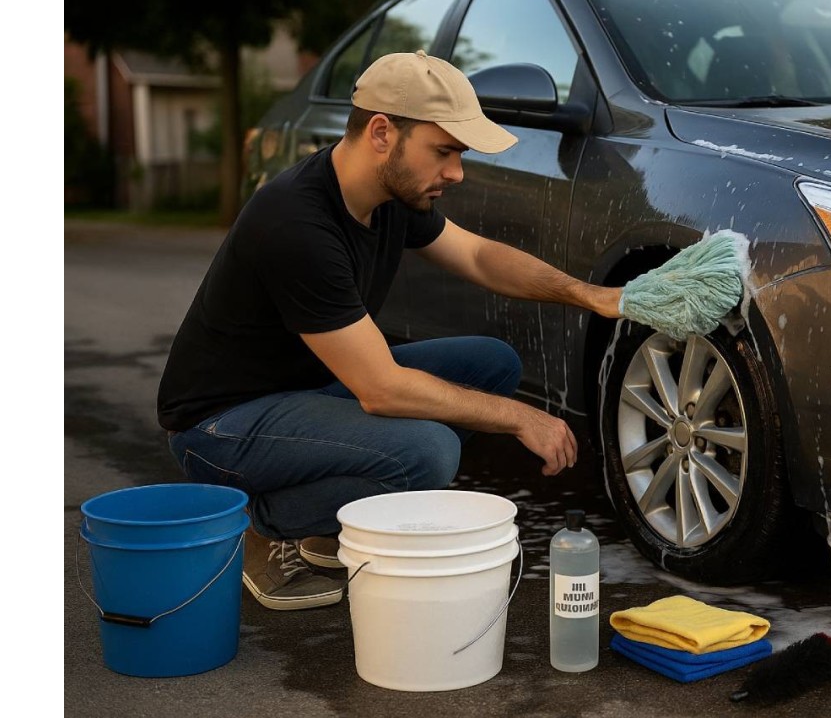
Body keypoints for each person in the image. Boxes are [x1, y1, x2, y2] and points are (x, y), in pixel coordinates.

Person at [156, 51, 623, 612]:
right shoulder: (295, 223)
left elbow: (476, 256)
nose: (456, 172)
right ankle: (262, 526)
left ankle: (322, 517)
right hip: (221, 427)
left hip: (306, 391)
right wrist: (524, 416)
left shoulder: (388, 196)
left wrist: (587, 294)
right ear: (382, 132)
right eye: (444, 151)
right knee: (426, 452)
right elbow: (382, 390)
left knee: (491, 364)